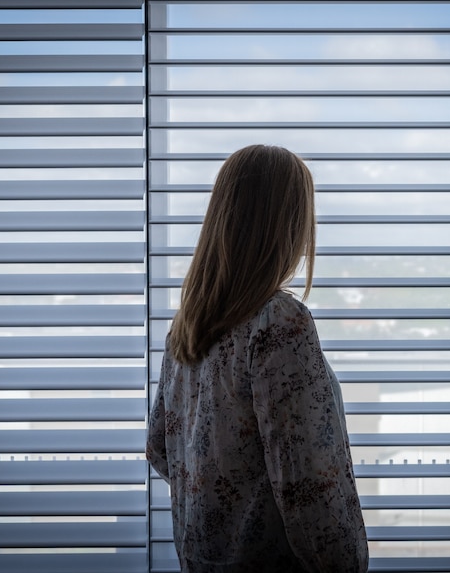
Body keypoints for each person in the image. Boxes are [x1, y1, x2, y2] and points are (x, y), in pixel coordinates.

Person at [146, 144, 369, 572]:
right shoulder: (278, 322)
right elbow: (310, 485)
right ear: (286, 226)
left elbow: (159, 446)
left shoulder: (189, 325)